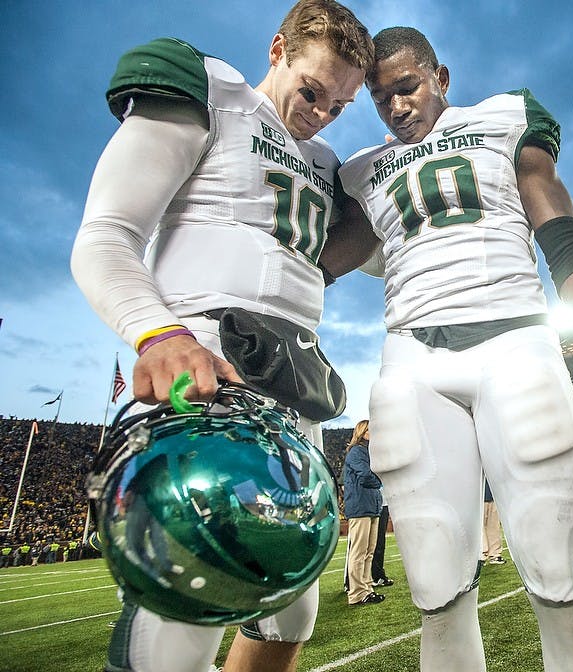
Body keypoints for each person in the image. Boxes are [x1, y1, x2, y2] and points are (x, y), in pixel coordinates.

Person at [321, 26, 573, 672]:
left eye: (407, 87)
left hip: (515, 346)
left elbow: (561, 235)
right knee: (437, 590)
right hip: (413, 363)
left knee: (560, 578)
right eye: (380, 97)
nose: (395, 106)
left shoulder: (502, 120)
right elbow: (327, 257)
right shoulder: (362, 173)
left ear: (440, 76)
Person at [69, 3, 373, 671]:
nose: (321, 113)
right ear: (277, 50)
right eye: (312, 90)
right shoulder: (215, 95)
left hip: (289, 385)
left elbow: (392, 236)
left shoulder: (325, 165)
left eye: (340, 106)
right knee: (187, 592)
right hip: (204, 365)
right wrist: (158, 336)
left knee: (291, 604)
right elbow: (104, 237)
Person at [343, 419, 387, 606]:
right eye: (370, 430)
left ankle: (367, 587)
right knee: (359, 552)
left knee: (369, 551)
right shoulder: (356, 452)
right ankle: (356, 594)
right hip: (360, 507)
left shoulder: (368, 452)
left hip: (371, 505)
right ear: (362, 432)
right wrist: (383, 479)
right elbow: (367, 475)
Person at [370, 503, 395, 588]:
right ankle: (352, 582)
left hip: (382, 503)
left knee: (380, 542)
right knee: (364, 544)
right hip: (369, 503)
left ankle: (378, 575)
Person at [481, 479, 505, 565]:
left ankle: (495, 554)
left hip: (493, 493)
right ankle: (482, 554)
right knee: (479, 527)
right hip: (477, 497)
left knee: (494, 526)